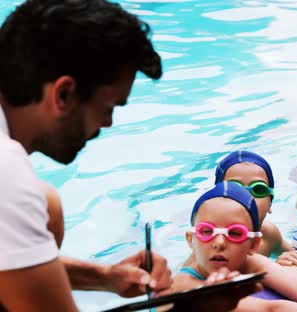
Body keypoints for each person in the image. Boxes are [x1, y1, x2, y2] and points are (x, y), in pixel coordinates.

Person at [0, 1, 253, 311]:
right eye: (108, 109)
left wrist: (105, 277)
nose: (107, 124)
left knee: (46, 203)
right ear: (63, 94)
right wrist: (188, 309)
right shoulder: (8, 178)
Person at [174, 182, 297, 311]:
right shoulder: (184, 288)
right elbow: (273, 309)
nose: (219, 242)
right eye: (207, 231)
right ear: (191, 240)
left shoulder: (250, 262)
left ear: (253, 244)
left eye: (235, 233)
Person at [183, 150, 297, 267]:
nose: (246, 196)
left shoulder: (269, 234)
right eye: (234, 188)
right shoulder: (208, 249)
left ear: (270, 203)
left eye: (258, 189)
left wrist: (286, 260)